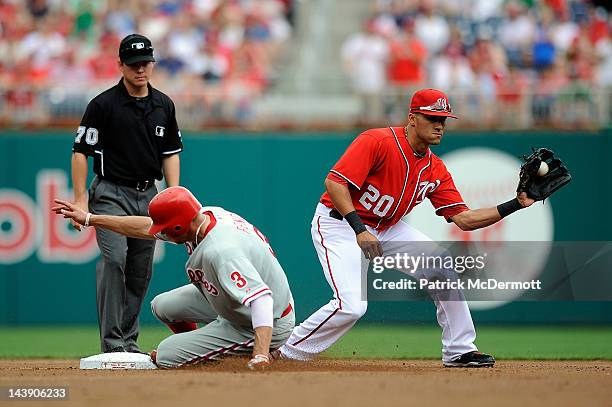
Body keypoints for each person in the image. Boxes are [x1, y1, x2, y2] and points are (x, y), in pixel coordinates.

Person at [274, 88, 537, 368]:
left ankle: (459, 350)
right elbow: (335, 184)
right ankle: (286, 351)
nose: (439, 125)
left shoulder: (435, 169)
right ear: (412, 118)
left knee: (441, 264)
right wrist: (360, 229)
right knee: (351, 307)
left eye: (444, 119)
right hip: (340, 223)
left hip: (387, 228)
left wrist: (516, 204)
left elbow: (465, 219)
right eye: (432, 117)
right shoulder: (377, 141)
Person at [53, 187, 295, 369]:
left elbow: (261, 299)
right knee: (162, 306)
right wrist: (90, 218)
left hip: (263, 320)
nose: (160, 233)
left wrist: (262, 354)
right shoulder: (201, 217)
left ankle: (236, 349)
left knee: (166, 356)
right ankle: (206, 346)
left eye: (165, 229)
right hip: (231, 300)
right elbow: (143, 227)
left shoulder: (221, 250)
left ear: (179, 228)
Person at [70, 34, 183, 353]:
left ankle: (128, 341)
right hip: (110, 192)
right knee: (114, 259)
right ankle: (112, 343)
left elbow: (171, 152)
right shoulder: (103, 104)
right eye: (133, 63)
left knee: (139, 269)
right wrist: (81, 199)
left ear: (152, 63)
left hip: (148, 194)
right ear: (120, 65)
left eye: (145, 62)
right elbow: (80, 151)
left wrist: (173, 193)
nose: (140, 69)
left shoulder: (163, 104)